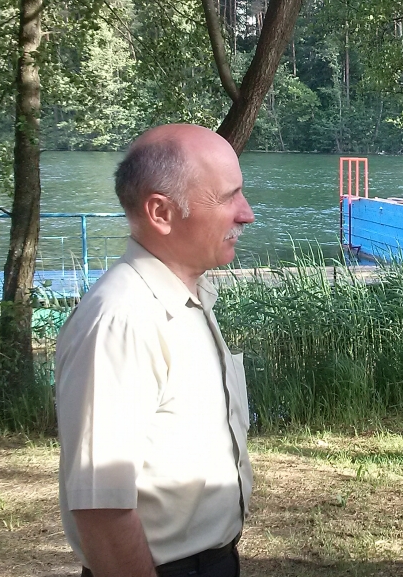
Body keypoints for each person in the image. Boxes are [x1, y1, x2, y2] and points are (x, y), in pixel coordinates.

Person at [56, 124, 255, 577]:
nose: (247, 214)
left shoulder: (184, 300)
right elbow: (102, 510)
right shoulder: (123, 319)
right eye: (228, 197)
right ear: (161, 212)